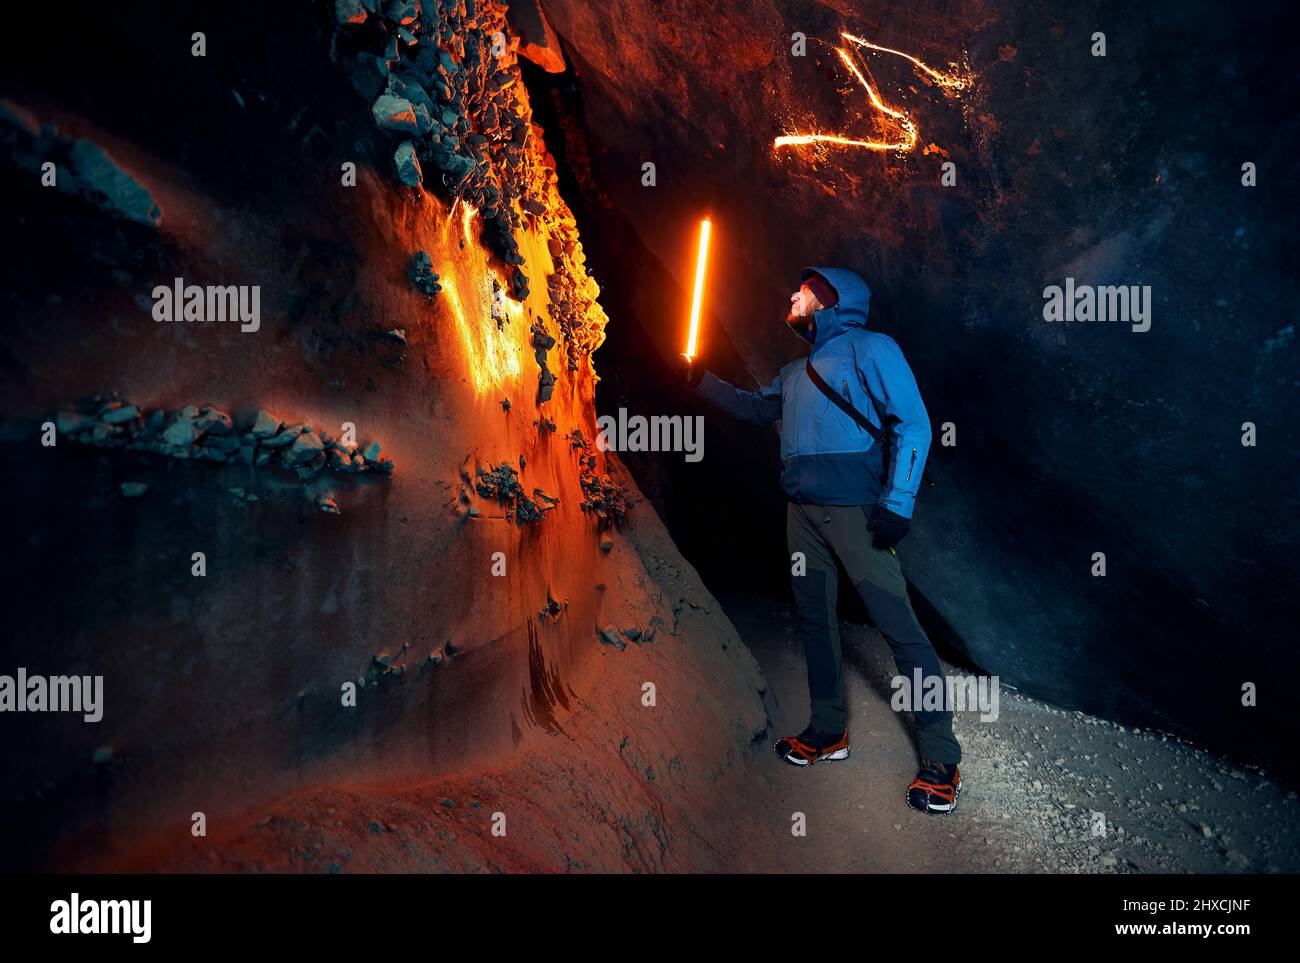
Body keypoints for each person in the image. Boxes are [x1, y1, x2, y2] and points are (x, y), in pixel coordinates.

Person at [688, 267, 963, 814]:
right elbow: (753, 408)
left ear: (832, 299)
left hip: (856, 514)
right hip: (801, 517)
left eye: (803, 289)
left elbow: (913, 424)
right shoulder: (794, 372)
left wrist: (897, 505)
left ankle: (940, 755)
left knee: (899, 627)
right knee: (815, 619)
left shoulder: (871, 347)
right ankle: (827, 730)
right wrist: (698, 379)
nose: (791, 294)